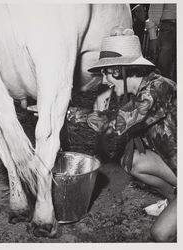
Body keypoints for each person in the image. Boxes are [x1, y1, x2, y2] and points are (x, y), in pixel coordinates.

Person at [67, 28, 177, 242]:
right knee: (132, 161)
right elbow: (118, 116)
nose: (105, 82)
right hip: (174, 163)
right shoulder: (145, 88)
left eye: (106, 73)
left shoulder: (156, 90)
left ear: (119, 70)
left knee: (160, 234)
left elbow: (114, 123)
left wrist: (66, 112)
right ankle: (173, 198)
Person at [146, 4, 176, 81]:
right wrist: (153, 39)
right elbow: (154, 14)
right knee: (164, 72)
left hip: (169, 27)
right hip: (169, 27)